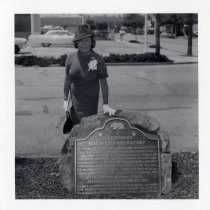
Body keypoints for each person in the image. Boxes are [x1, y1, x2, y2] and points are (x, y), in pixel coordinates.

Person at [63, 24, 116, 130]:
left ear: (92, 42)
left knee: (88, 130)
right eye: (80, 41)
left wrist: (105, 104)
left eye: (87, 41)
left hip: (90, 105)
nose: (84, 44)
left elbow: (103, 83)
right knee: (75, 130)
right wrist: (65, 100)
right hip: (75, 104)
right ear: (76, 43)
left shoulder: (98, 59)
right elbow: (68, 80)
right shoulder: (70, 58)